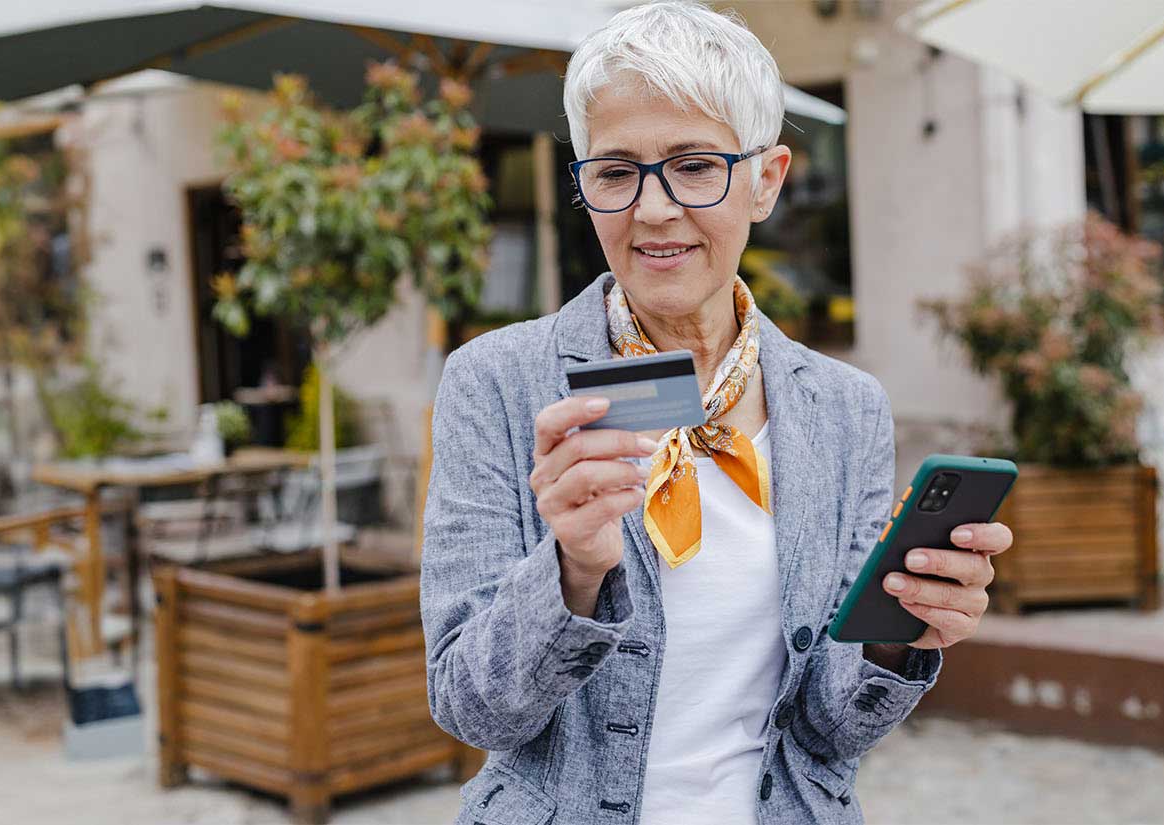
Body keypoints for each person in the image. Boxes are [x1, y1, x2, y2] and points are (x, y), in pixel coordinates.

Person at [416, 3, 1013, 823]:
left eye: (695, 165)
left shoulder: (844, 410)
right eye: (616, 170)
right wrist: (572, 571)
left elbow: (828, 728)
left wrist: (899, 633)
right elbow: (469, 709)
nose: (653, 209)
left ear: (765, 180)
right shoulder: (498, 381)